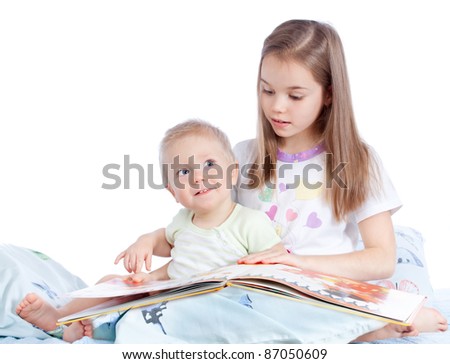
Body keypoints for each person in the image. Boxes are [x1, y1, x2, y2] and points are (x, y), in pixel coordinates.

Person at [115, 19, 447, 342]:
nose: (277, 107)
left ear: (329, 94)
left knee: (315, 314)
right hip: (248, 297)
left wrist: (296, 263)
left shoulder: (359, 161)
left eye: (295, 96)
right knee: (150, 313)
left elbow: (381, 259)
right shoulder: (242, 156)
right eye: (267, 90)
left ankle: (370, 325)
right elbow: (205, 232)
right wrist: (151, 245)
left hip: (318, 293)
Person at [15, 120, 282, 342]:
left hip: (213, 302)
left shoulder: (249, 222)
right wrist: (146, 244)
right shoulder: (184, 220)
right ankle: (61, 318)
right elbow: (166, 241)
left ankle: (98, 329)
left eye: (209, 164)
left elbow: (276, 263)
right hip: (169, 292)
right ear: (173, 191)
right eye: (184, 171)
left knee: (141, 320)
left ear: (233, 172)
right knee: (113, 282)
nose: (199, 177)